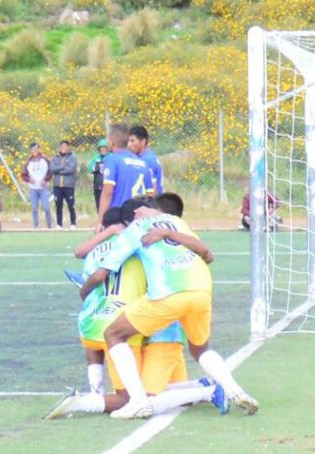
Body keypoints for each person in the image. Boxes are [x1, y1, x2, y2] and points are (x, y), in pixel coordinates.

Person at [81, 197, 258, 419]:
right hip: (202, 289)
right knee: (200, 349)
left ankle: (138, 401)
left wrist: (84, 292)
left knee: (113, 334)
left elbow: (100, 274)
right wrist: (168, 234)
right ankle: (235, 391)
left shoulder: (134, 229)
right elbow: (207, 253)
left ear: (134, 214)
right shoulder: (176, 222)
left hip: (168, 292)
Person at [96, 124, 152, 230]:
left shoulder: (112, 160)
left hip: (118, 218)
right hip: (139, 218)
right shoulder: (143, 163)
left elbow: (108, 191)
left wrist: (100, 221)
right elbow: (150, 194)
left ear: (111, 141)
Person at [20, 142, 52, 230]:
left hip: (43, 188)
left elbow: (50, 171)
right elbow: (23, 174)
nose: (35, 151)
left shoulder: (45, 160)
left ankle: (49, 226)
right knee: (34, 208)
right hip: (33, 189)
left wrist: (45, 180)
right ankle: (36, 226)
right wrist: (29, 180)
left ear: (39, 149)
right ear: (30, 151)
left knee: (46, 207)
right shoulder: (28, 162)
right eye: (33, 149)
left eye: (36, 149)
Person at [128, 125, 163, 195]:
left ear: (143, 141)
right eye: (128, 141)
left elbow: (153, 188)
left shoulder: (147, 160)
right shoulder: (143, 157)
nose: (129, 144)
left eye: (132, 141)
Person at [50, 140, 77, 230]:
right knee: (58, 205)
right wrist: (62, 167)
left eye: (65, 146)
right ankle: (59, 224)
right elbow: (52, 169)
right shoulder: (55, 158)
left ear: (68, 148)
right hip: (57, 186)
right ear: (59, 148)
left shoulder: (72, 158)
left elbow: (71, 170)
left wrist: (58, 171)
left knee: (71, 205)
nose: (63, 148)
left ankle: (73, 223)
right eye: (62, 146)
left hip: (69, 186)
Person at [88, 139, 109, 211]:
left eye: (105, 148)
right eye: (101, 148)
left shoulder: (111, 157)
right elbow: (90, 168)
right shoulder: (96, 157)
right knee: (99, 205)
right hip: (98, 185)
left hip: (108, 185)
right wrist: (98, 166)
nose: (103, 149)